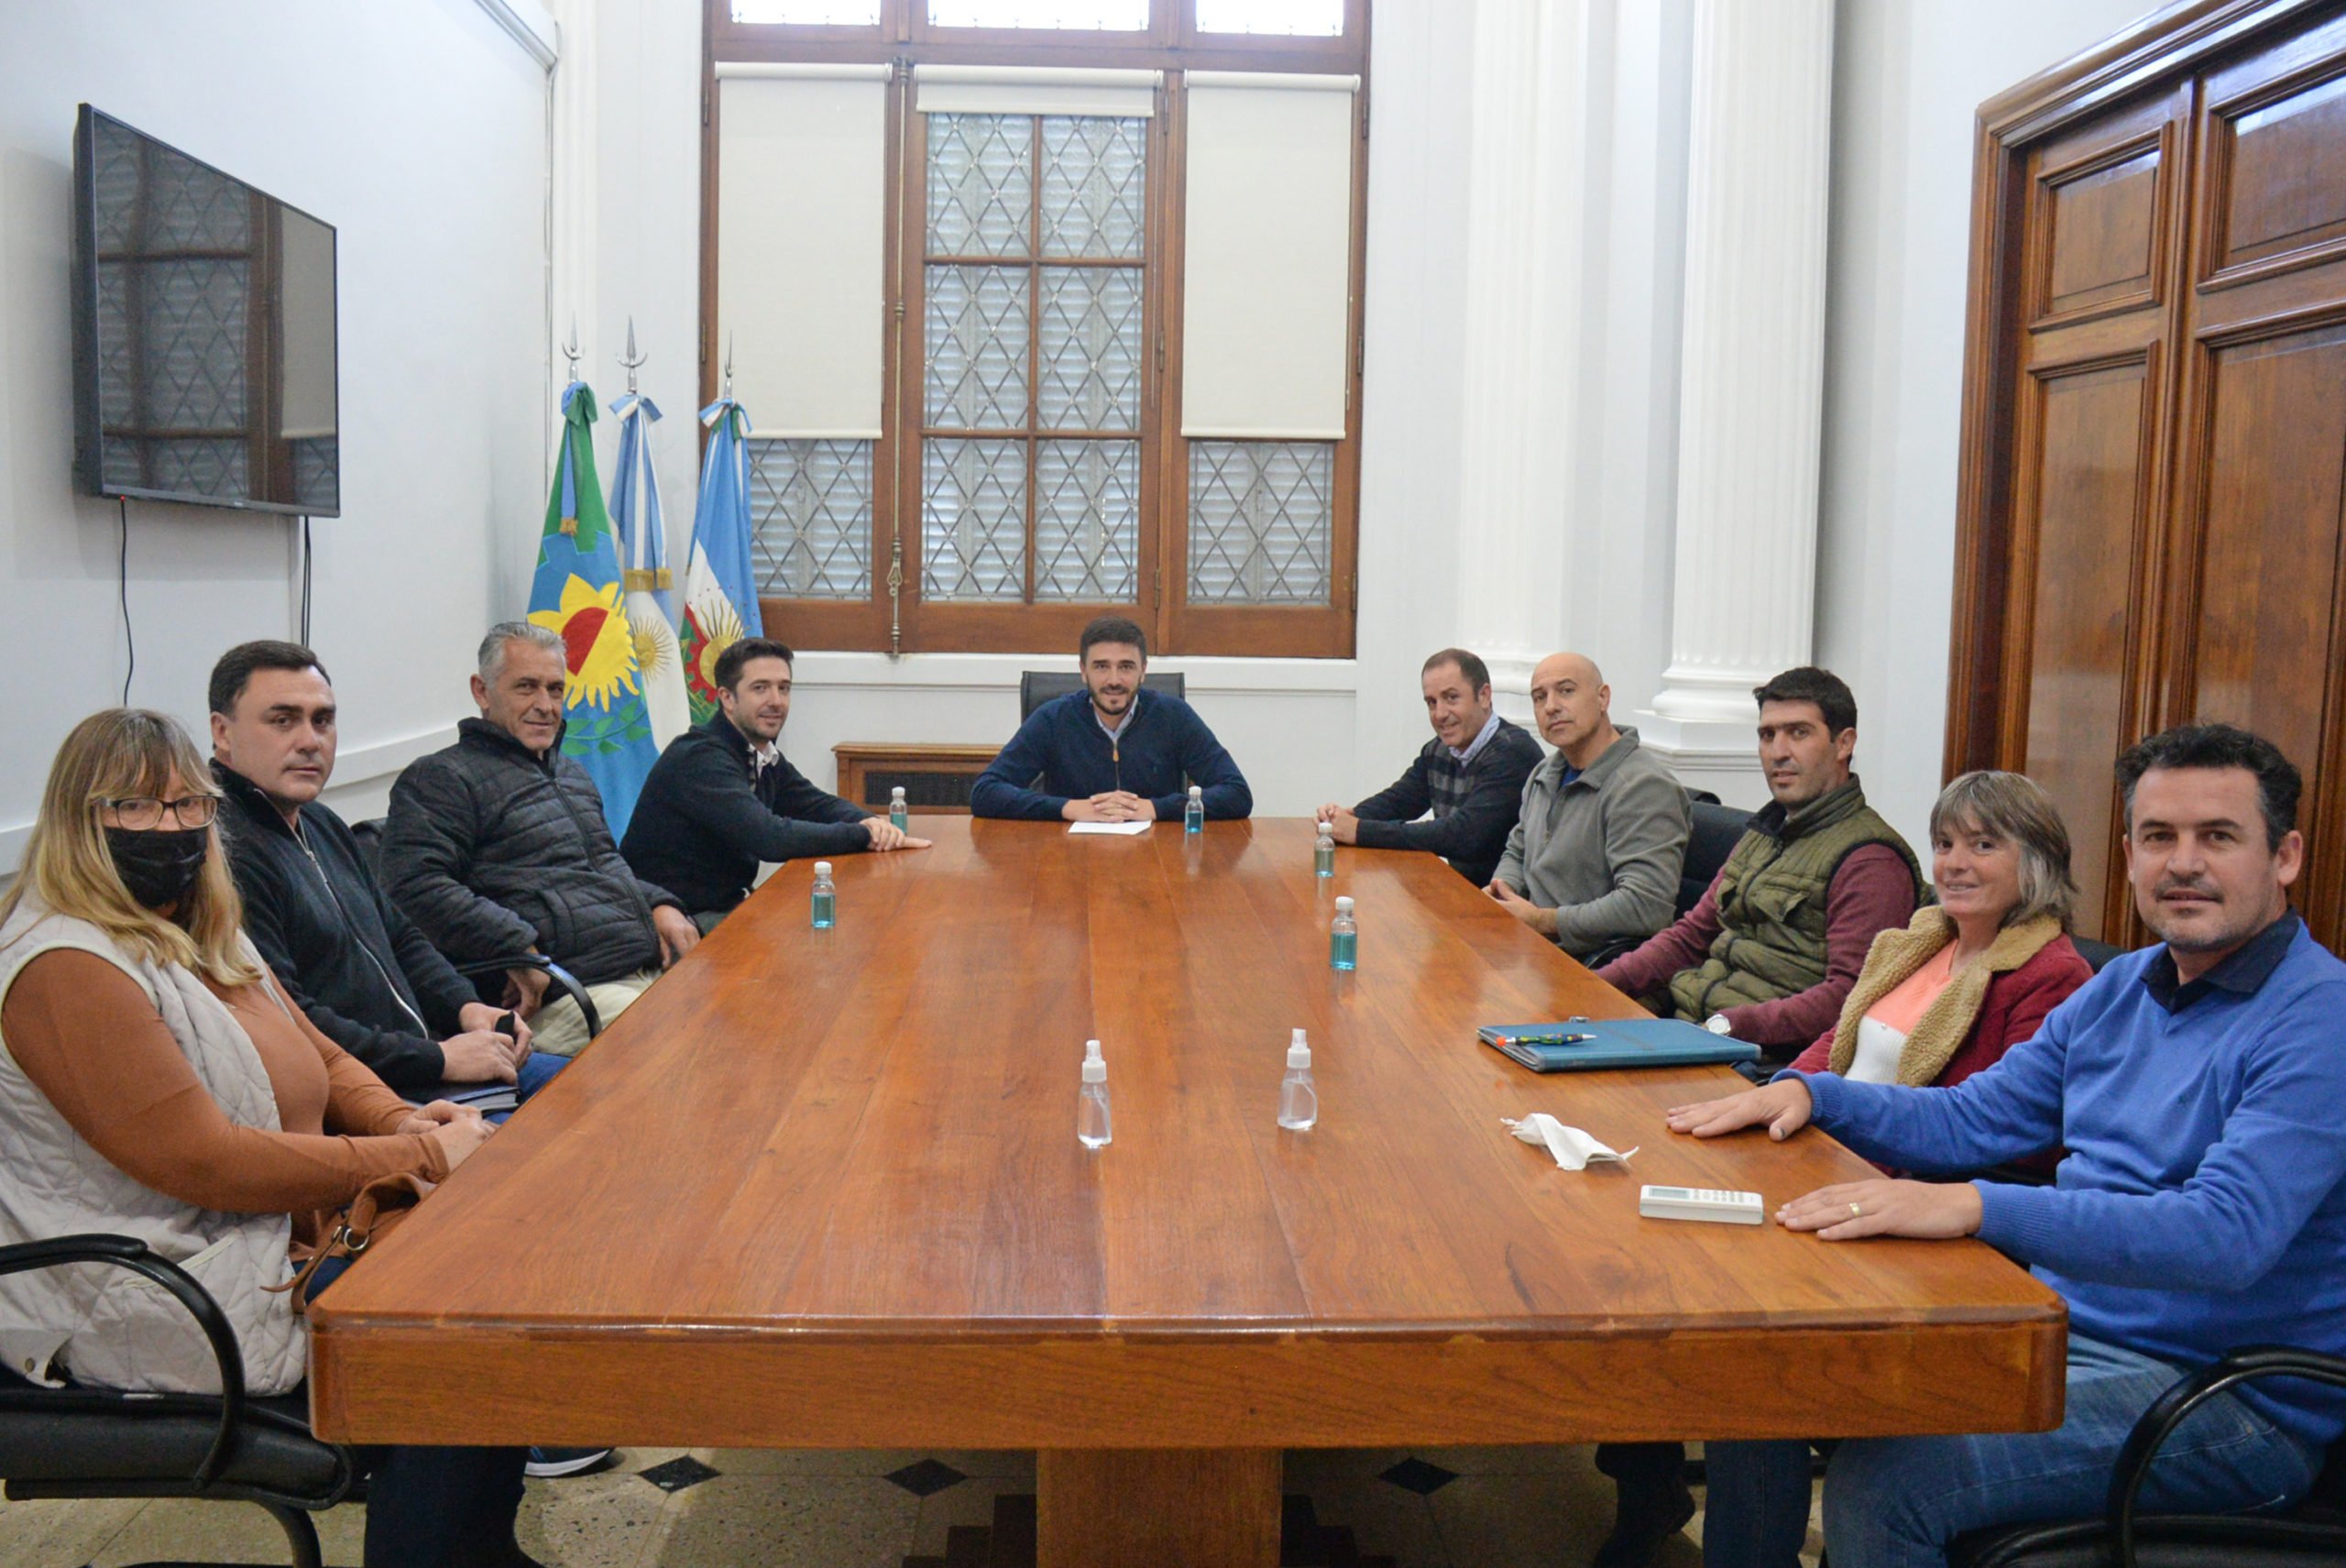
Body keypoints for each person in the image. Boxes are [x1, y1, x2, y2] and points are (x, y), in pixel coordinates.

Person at [1672, 724, 2346, 1568]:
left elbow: (2225, 1236)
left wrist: (1974, 1205)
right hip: (2053, 1333)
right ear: (2129, 853)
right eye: (2157, 837)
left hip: (2227, 1400)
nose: (2183, 863)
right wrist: (1809, 1091)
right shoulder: (2125, 989)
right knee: (1764, 1376)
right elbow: (1970, 1119)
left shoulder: (2320, 1018)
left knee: (1889, 1482)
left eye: (2218, 837)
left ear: (2283, 857)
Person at [0, 709, 534, 1567]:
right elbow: (205, 1161)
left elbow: (316, 1050)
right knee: (458, 1314)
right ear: (77, 819)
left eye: (188, 805)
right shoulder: (65, 964)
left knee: (497, 1252)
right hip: (148, 1285)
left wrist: (404, 1118)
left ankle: (475, 1546)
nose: (171, 827)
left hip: (257, 1240)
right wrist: (423, 1156)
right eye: (135, 807)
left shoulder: (194, 922)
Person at [1689, 769, 2093, 1568]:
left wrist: (1819, 1109)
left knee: (1752, 1350)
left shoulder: (2054, 977)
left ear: (2036, 862)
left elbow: (1997, 1134)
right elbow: (1830, 1053)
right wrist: (1778, 1094)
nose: (1956, 862)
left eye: (1984, 844)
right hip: (1829, 1160)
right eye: (1945, 843)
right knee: (1720, 1316)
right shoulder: (1917, 942)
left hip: (1929, 1215)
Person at [1587, 665, 1922, 1568]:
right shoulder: (1764, 831)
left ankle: (1648, 1477)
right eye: (1768, 733)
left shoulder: (1870, 858)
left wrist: (1726, 1024)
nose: (1776, 750)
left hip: (1759, 1072)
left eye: (1797, 734)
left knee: (1631, 1235)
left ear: (1843, 743)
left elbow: (1849, 1000)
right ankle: (1644, 1473)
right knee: (1594, 1212)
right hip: (1688, 1044)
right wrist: (1587, 994)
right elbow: (1690, 934)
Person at [209, 640, 561, 1104]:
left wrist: (465, 1006)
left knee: (602, 1091)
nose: (310, 741)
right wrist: (439, 1058)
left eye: (323, 720)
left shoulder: (319, 821)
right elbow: (293, 1020)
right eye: (282, 720)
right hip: (371, 1095)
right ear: (223, 733)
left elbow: (400, 937)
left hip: (427, 1058)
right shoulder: (222, 850)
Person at [381, 622, 700, 1058]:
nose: (545, 706)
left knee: (747, 1010)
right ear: (482, 690)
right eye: (526, 687)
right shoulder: (440, 778)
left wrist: (660, 904)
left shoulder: (570, 773)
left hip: (640, 967)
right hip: (564, 994)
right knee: (695, 1042)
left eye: (555, 689)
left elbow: (604, 864)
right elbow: (413, 888)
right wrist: (516, 943)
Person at [622, 636, 928, 931]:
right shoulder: (700, 758)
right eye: (760, 688)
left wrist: (872, 822)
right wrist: (863, 835)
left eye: (784, 688)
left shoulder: (759, 753)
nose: (776, 701)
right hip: (678, 919)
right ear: (727, 698)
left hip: (725, 905)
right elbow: (770, 838)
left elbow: (816, 804)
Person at [1483, 652, 1689, 962]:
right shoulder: (1544, 774)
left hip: (1599, 966)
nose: (1551, 706)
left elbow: (1646, 906)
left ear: (1603, 698)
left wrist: (1543, 921)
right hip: (1532, 952)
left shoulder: (1643, 787)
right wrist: (1503, 890)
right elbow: (1518, 849)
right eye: (1540, 697)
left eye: (1566, 690)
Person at [970, 615, 1252, 823]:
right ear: (1083, 671)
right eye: (1101, 667)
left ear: (1143, 670)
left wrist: (1155, 808)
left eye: (1126, 667)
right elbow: (985, 793)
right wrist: (1067, 808)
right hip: (1066, 859)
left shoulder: (1173, 716)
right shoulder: (1053, 718)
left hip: (1158, 860)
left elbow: (1237, 794)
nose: (1114, 680)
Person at [1314, 647, 1540, 888]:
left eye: (1451, 698)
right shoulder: (1439, 749)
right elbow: (1399, 800)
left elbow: (1463, 835)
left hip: (1508, 904)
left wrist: (1360, 830)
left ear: (1484, 696)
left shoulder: (1512, 753)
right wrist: (1345, 818)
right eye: (1431, 702)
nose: (1440, 714)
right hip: (1464, 893)